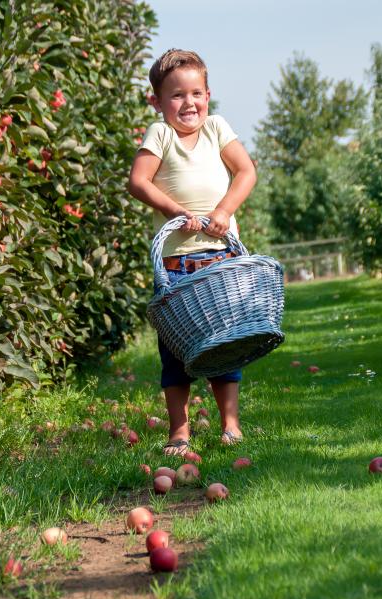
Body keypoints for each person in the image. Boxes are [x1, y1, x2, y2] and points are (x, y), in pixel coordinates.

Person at [128, 49, 257, 456]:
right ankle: (179, 431)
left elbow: (246, 171)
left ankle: (230, 425)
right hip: (176, 264)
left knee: (225, 344)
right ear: (157, 101)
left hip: (221, 260)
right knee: (176, 353)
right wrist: (175, 211)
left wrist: (223, 211)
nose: (189, 103)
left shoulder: (217, 128)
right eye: (177, 96)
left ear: (208, 94)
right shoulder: (160, 134)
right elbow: (138, 181)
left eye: (196, 93)